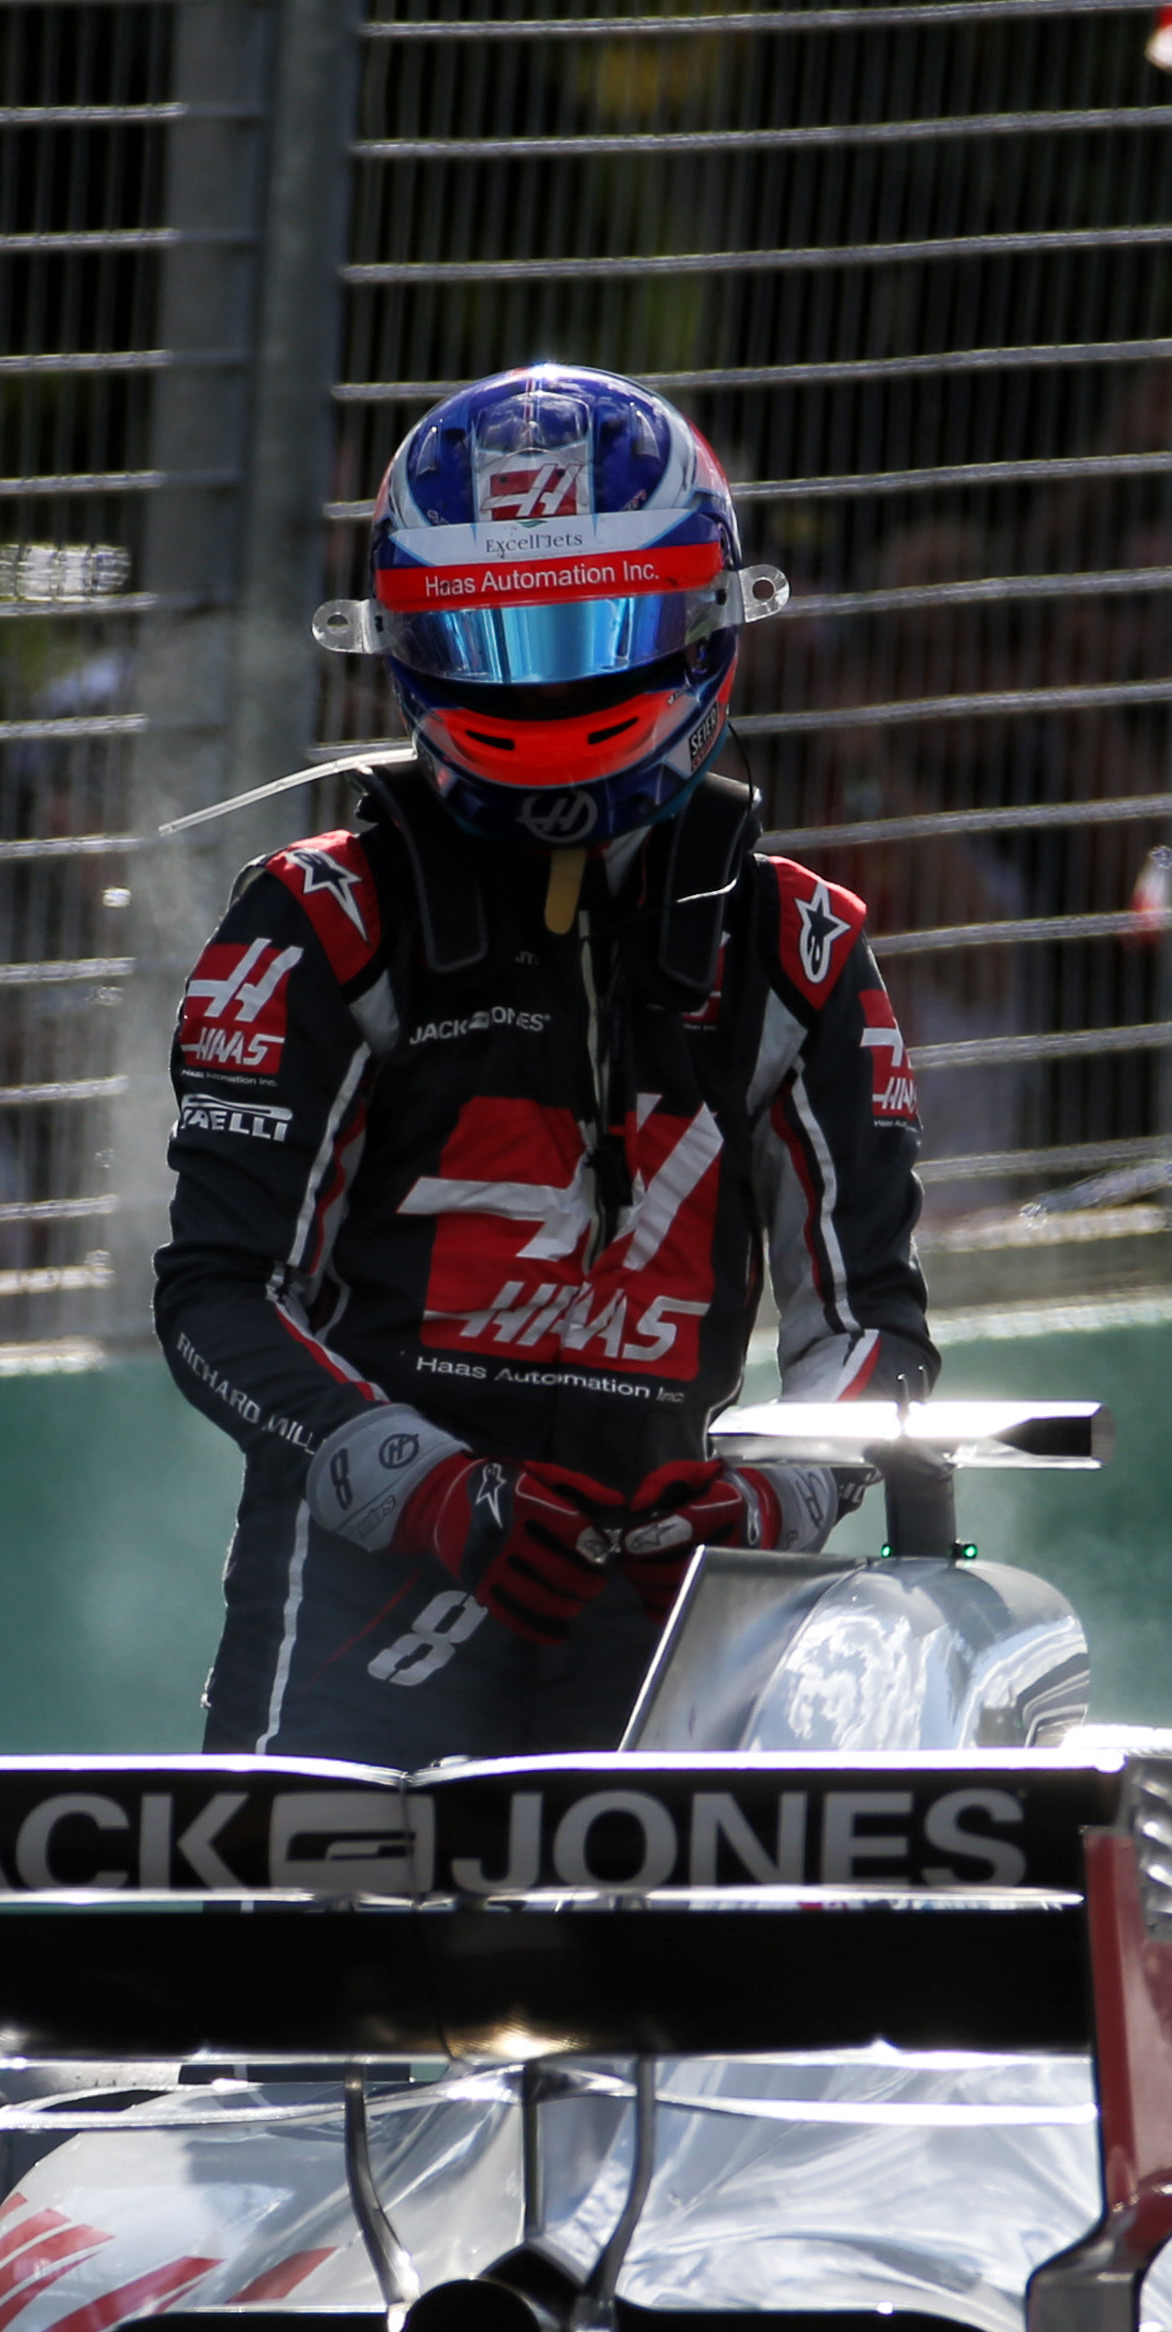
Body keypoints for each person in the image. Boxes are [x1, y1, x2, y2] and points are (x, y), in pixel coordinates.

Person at [152, 365, 935, 1763]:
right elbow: (219, 1295)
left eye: (598, 626)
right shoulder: (322, 917)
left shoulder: (803, 948)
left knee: (684, 1975)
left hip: (677, 1591)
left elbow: (870, 1326)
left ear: (708, 613)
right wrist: (429, 1487)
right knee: (308, 1969)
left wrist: (778, 1498)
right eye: (500, 640)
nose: (556, 680)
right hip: (364, 1586)